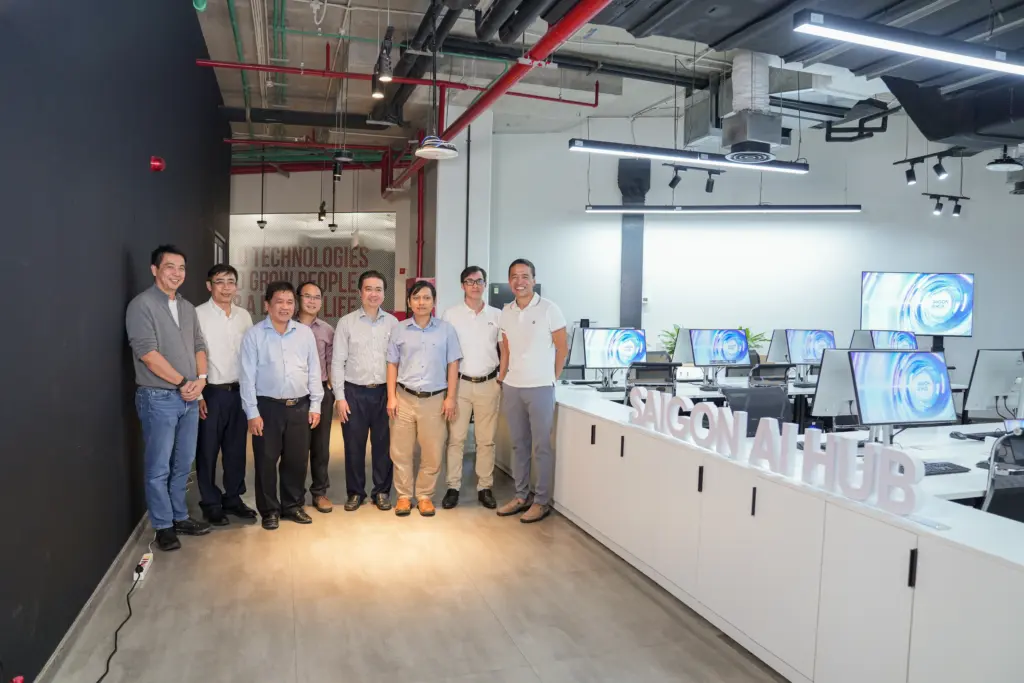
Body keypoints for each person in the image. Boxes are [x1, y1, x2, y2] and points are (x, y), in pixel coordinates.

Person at [126, 245, 212, 552]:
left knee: (183, 463)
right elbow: (148, 354)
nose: (177, 273)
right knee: (159, 466)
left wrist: (201, 381)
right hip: (158, 397)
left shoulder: (187, 308)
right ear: (155, 270)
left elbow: (199, 345)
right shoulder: (142, 305)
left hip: (190, 397)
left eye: (182, 268)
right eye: (170, 267)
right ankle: (163, 526)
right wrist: (184, 382)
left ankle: (179, 516)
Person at [240, 281, 324, 530]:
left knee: (296, 460)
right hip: (268, 408)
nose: (285, 307)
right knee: (266, 461)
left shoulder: (304, 333)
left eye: (289, 302)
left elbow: (314, 370)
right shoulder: (255, 335)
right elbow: (247, 377)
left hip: (300, 406)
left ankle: (293, 505)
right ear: (267, 304)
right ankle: (269, 510)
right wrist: (252, 412)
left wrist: (315, 405)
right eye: (279, 302)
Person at [497, 259, 568, 523]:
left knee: (541, 447)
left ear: (534, 280)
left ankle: (541, 501)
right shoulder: (506, 311)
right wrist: (502, 378)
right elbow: (506, 350)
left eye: (525, 276)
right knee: (519, 445)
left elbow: (562, 348)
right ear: (509, 281)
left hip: (540, 387)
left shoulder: (549, 309)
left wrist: (552, 377)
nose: (520, 282)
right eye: (514, 277)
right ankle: (521, 496)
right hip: (513, 386)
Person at [386, 281, 462, 517]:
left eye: (427, 298)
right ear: (409, 302)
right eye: (417, 298)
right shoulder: (399, 329)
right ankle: (403, 496)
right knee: (400, 450)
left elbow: (453, 364)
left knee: (432, 450)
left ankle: (425, 495)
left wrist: (451, 397)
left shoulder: (446, 330)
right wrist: (391, 397)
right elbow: (392, 364)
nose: (421, 302)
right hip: (404, 397)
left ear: (434, 302)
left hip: (434, 399)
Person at [194, 265, 257, 526]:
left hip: (239, 392)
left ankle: (233, 497)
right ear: (209, 285)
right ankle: (210, 502)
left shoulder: (244, 316)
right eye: (220, 282)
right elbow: (191, 354)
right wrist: (198, 396)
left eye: (231, 281)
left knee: (236, 450)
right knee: (207, 450)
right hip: (210, 392)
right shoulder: (197, 314)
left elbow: (251, 355)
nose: (226, 287)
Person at [331, 271, 398, 512]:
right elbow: (337, 362)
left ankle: (381, 492)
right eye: (368, 289)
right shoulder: (346, 322)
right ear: (360, 292)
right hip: (354, 393)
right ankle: (355, 492)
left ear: (384, 294)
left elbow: (397, 361)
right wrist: (340, 398)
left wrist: (394, 395)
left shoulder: (393, 324)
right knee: (354, 446)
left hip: (383, 393)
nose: (373, 294)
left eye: (378, 289)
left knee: (383, 446)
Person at [440, 266, 504, 509]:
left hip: (489, 383)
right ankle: (453, 487)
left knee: (486, 440)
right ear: (462, 286)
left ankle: (485, 487)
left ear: (485, 284)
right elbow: (446, 353)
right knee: (456, 439)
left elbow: (504, 349)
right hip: (460, 385)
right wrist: (448, 390)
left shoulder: (497, 315)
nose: (475, 286)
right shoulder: (451, 314)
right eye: (470, 281)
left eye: (479, 281)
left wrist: (501, 378)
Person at [296, 281, 335, 513]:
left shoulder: (327, 330)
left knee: (321, 446)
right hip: (295, 394)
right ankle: (295, 494)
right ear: (298, 299)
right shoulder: (287, 326)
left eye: (317, 297)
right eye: (307, 296)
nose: (312, 301)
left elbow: (331, 362)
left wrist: (331, 388)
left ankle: (320, 492)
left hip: (320, 392)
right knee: (296, 447)